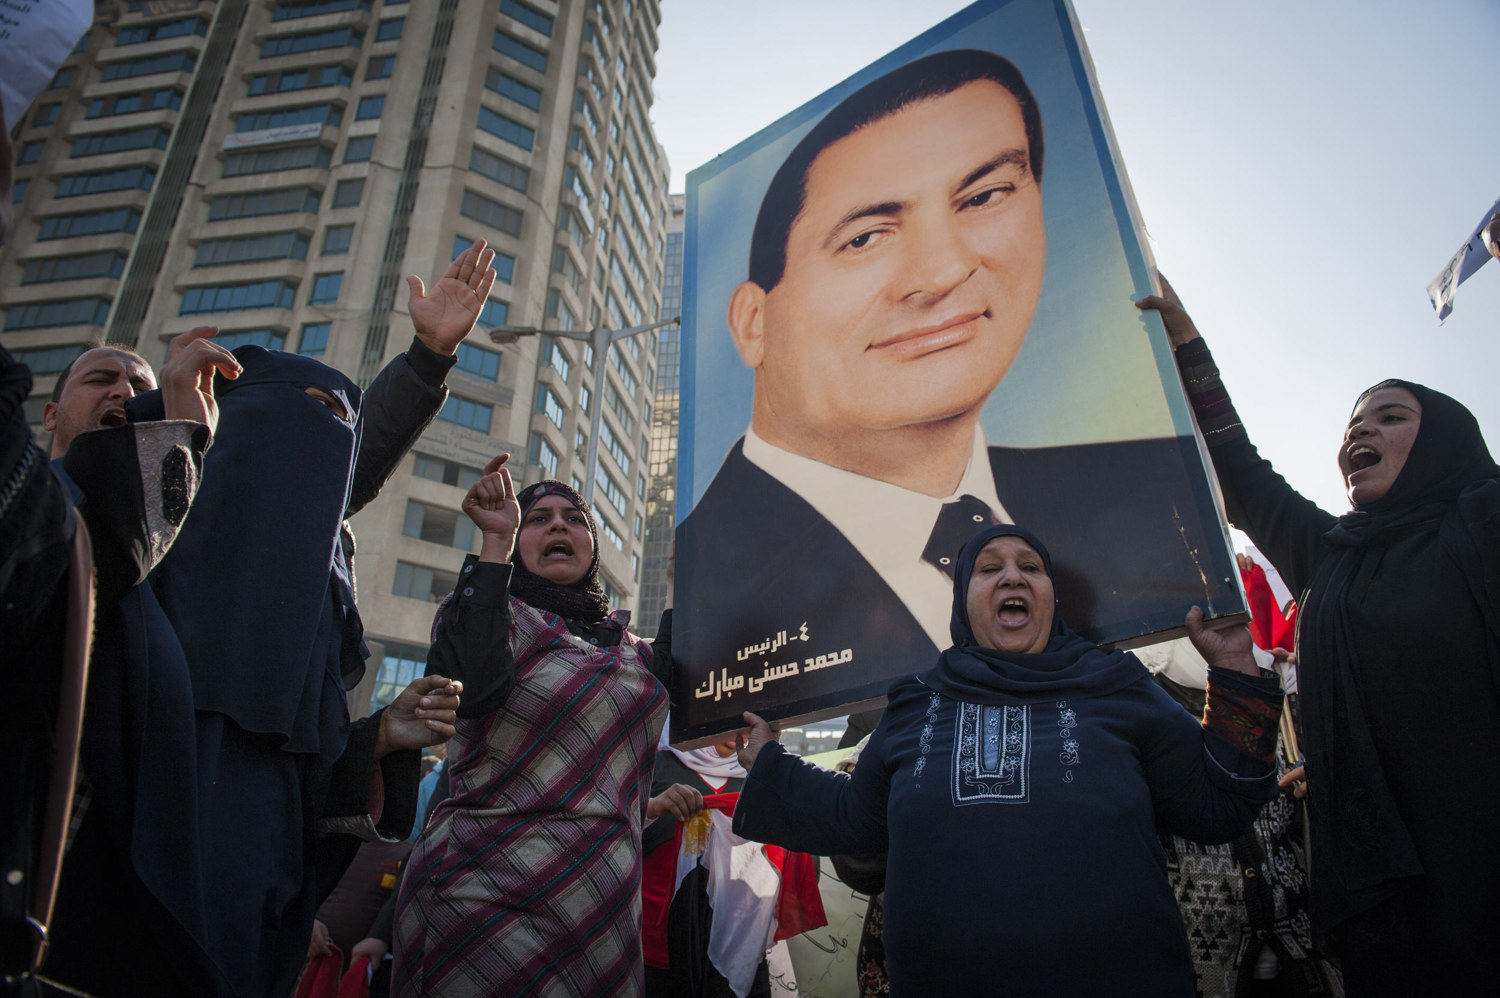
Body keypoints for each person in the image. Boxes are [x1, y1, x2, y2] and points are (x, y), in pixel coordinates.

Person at [675, 49, 1235, 741]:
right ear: (754, 322)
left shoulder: (1152, 491)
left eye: (983, 197)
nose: (942, 272)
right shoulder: (709, 611)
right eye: (866, 236)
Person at [731, 524, 1284, 997]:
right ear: (964, 602)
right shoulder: (917, 700)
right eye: (989, 568)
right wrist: (768, 762)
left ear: (1052, 594)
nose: (1012, 577)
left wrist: (1236, 671)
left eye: (1031, 566)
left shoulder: (1117, 685)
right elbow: (856, 816)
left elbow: (1220, 804)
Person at [1137, 279, 1500, 995]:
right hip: (1376, 895)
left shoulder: (1483, 521)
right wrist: (1184, 343)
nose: (1356, 435)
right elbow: (1236, 469)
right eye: (1350, 426)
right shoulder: (1330, 553)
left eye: (1388, 417)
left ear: (1446, 441)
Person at [393, 461, 692, 997]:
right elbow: (473, 691)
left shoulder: (629, 650)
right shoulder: (492, 615)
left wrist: (677, 578)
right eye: (539, 518)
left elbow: (674, 677)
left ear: (592, 546)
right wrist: (495, 542)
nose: (558, 526)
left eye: (574, 518)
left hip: (600, 919)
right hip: (484, 899)